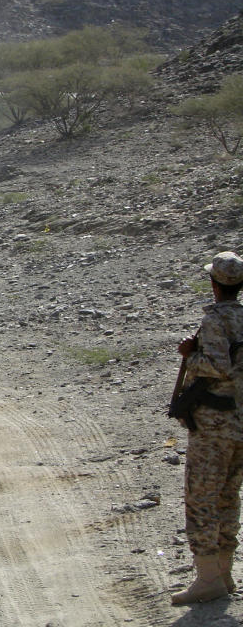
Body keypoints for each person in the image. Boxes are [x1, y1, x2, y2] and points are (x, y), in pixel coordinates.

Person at [171, 251, 243, 605]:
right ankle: (226, 573)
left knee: (201, 500)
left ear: (214, 285)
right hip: (240, 424)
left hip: (214, 426)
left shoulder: (216, 320)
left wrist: (190, 355)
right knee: (229, 497)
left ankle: (208, 579)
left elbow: (218, 365)